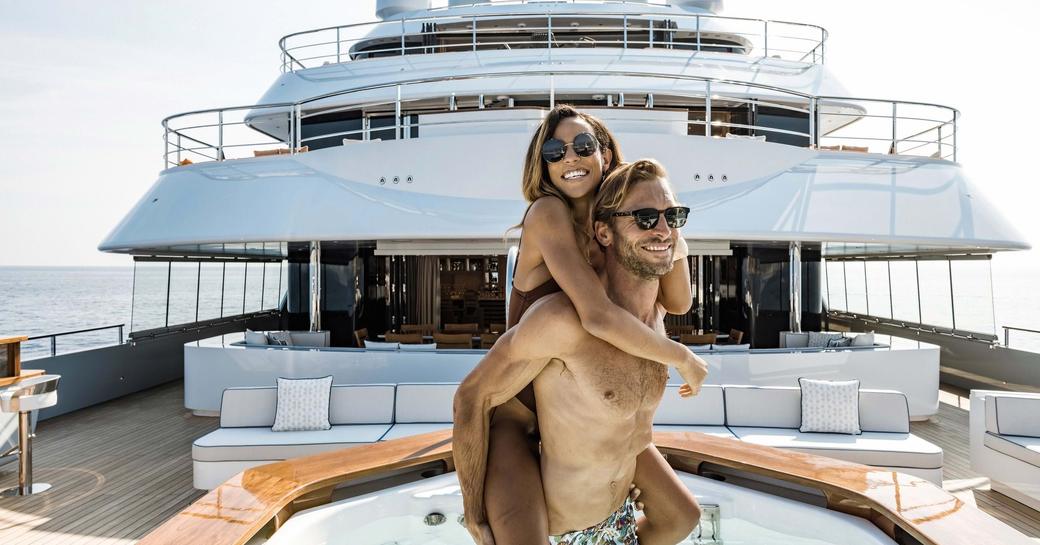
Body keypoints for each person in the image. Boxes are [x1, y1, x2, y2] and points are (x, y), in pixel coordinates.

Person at [481, 105, 709, 545]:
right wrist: (682, 357)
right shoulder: (548, 213)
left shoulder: (614, 222)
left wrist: (664, 220)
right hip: (521, 408)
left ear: (604, 153)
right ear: (542, 164)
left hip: (575, 399)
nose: (570, 157)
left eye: (583, 146)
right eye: (554, 150)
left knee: (681, 516)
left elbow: (678, 302)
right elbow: (597, 315)